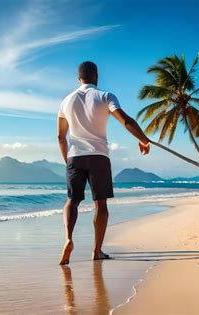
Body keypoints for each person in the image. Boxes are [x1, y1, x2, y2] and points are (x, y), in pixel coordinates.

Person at [57, 61, 151, 265]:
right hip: (99, 156)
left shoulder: (66, 101)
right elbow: (125, 120)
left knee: (72, 200)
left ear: (78, 78)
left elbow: (60, 137)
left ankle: (68, 239)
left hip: (75, 157)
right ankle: (97, 251)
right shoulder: (105, 96)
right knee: (100, 203)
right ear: (96, 76)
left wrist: (68, 162)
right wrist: (143, 139)